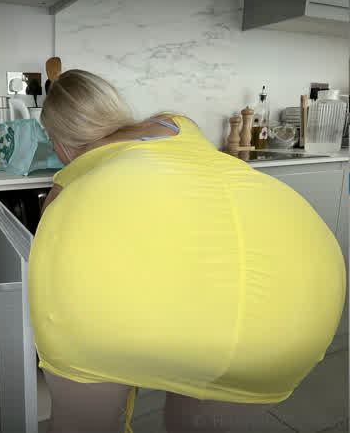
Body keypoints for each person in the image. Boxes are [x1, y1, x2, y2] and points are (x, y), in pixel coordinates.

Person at [28, 69, 346, 433]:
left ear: (58, 141)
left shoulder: (69, 183)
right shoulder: (175, 123)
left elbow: (54, 239)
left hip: (103, 324)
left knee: (83, 425)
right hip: (290, 313)